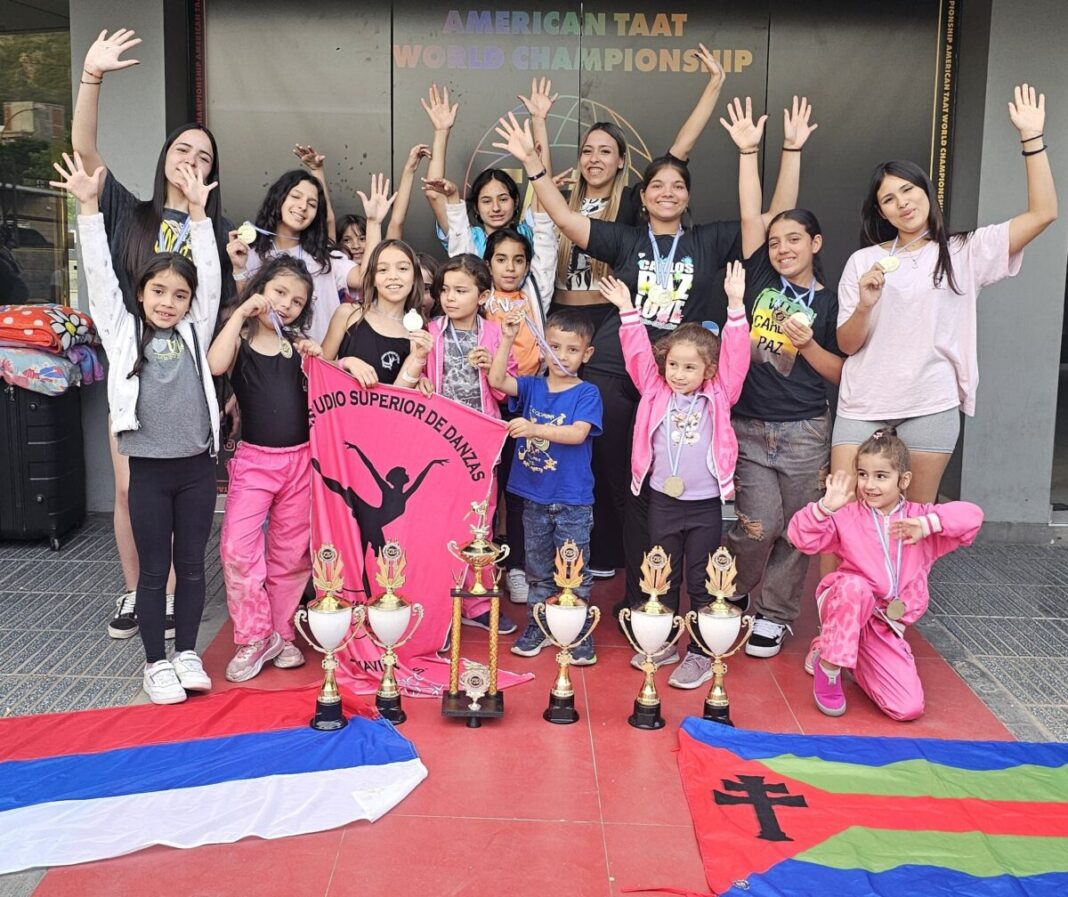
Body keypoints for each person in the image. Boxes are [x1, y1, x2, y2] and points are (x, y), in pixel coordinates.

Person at [493, 96, 811, 610]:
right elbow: (564, 217)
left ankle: (680, 595)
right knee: (627, 480)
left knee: (672, 488)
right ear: (644, 197)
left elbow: (769, 220)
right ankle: (642, 593)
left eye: (677, 186)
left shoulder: (709, 241)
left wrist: (785, 150)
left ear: (687, 198)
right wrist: (533, 166)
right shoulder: (627, 239)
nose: (668, 192)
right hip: (625, 371)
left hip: (685, 378)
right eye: (657, 185)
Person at [73, 27, 232, 641]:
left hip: (186, 382)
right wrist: (92, 77)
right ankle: (138, 590)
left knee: (178, 488)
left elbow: (217, 305)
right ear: (166, 153)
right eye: (184, 150)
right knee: (126, 484)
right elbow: (85, 152)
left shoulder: (210, 231)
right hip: (133, 369)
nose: (191, 162)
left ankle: (168, 598)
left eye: (204, 157)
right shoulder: (130, 212)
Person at [548, 46, 726, 582]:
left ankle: (639, 566)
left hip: (636, 342)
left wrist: (713, 88)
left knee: (641, 459)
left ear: (627, 166)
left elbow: (678, 153)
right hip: (588, 341)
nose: (596, 157)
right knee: (593, 452)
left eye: (607, 150)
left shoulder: (632, 207)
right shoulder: (562, 200)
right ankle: (602, 555)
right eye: (588, 150)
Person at [833, 83, 1057, 504]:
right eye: (889, 199)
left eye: (908, 190)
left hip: (930, 402)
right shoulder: (864, 262)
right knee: (841, 515)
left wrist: (1031, 139)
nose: (902, 203)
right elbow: (847, 345)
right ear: (880, 212)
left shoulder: (964, 251)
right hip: (862, 402)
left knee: (914, 524)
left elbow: (1044, 213)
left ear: (926, 191)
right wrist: (865, 305)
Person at [54, 151, 221, 705]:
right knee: (155, 572)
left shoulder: (196, 331)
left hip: (196, 468)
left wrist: (199, 217)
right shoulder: (126, 334)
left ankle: (189, 653)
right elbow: (100, 278)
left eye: (180, 295)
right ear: (143, 295)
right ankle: (156, 663)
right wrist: (86, 208)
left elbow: (212, 279)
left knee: (194, 567)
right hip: (149, 469)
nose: (169, 303)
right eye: (159, 293)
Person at [716, 97, 840, 659]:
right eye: (775, 241)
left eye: (795, 239)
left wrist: (806, 342)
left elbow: (838, 371)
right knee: (756, 524)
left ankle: (776, 613)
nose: (782, 247)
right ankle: (734, 589)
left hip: (806, 431)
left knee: (798, 529)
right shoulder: (762, 272)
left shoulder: (833, 301)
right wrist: (753, 152)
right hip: (749, 426)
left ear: (815, 244)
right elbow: (753, 215)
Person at [598, 262, 749, 688]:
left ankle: (700, 653)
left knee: (701, 580)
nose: (679, 374)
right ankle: (662, 642)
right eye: (674, 365)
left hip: (703, 505)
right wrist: (629, 311)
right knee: (660, 573)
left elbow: (736, 356)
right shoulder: (654, 388)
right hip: (663, 500)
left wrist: (735, 308)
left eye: (690, 368)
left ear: (709, 371)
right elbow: (638, 354)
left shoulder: (720, 395)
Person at [787, 429, 984, 720]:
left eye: (881, 476)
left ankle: (850, 654)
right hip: (846, 603)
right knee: (856, 586)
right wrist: (825, 508)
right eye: (863, 474)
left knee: (907, 708)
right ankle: (828, 668)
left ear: (903, 480)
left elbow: (972, 517)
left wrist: (928, 524)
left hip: (884, 624)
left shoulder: (919, 519)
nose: (869, 484)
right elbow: (799, 537)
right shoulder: (847, 515)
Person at [206, 257, 323, 682]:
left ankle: (280, 631)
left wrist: (319, 357)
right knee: (237, 548)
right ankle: (253, 635)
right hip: (255, 461)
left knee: (291, 555)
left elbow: (325, 391)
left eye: (297, 301)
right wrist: (240, 311)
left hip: (301, 461)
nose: (287, 305)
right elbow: (216, 365)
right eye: (279, 293)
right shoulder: (239, 336)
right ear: (261, 288)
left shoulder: (298, 346)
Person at [398, 254, 518, 634]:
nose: (450, 297)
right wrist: (420, 381)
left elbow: (506, 391)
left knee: (479, 519)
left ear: (482, 296)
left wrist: (492, 366)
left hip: (481, 442)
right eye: (445, 290)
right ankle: (436, 598)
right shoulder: (431, 330)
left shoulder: (496, 334)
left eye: (461, 291)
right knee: (436, 520)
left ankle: (478, 602)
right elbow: (412, 378)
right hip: (436, 441)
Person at [488, 309, 603, 663]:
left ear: (587, 354)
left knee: (574, 569)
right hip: (532, 497)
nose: (561, 356)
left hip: (573, 499)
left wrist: (535, 429)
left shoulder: (588, 392)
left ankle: (577, 629)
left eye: (571, 349)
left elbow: (577, 433)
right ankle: (539, 624)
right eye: (553, 346)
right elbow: (496, 380)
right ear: (542, 348)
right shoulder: (532, 385)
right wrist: (507, 337)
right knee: (537, 568)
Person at [481, 224, 557, 605]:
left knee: (520, 486)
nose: (510, 268)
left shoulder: (533, 294)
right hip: (482, 400)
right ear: (487, 262)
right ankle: (481, 561)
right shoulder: (479, 297)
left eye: (519, 260)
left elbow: (545, 234)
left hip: (525, 396)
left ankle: (517, 566)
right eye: (501, 259)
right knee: (483, 484)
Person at [231, 171, 394, 344]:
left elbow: (364, 278)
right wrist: (239, 269)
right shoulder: (253, 254)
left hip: (321, 360)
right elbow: (248, 308)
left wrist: (374, 223)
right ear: (278, 198)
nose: (303, 206)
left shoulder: (324, 256)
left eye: (312, 204)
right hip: (272, 361)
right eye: (295, 196)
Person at [420, 83, 539, 256]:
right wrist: (441, 132)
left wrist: (538, 121)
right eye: (486, 201)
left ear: (516, 202)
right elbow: (433, 193)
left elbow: (544, 190)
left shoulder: (528, 234)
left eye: (503, 199)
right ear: (475, 207)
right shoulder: (467, 237)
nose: (496, 208)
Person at [323, 239, 425, 386]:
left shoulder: (415, 335)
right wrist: (346, 363)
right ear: (372, 279)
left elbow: (398, 397)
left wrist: (418, 373)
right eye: (383, 270)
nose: (393, 276)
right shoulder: (348, 314)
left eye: (402, 269)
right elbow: (317, 367)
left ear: (414, 277)